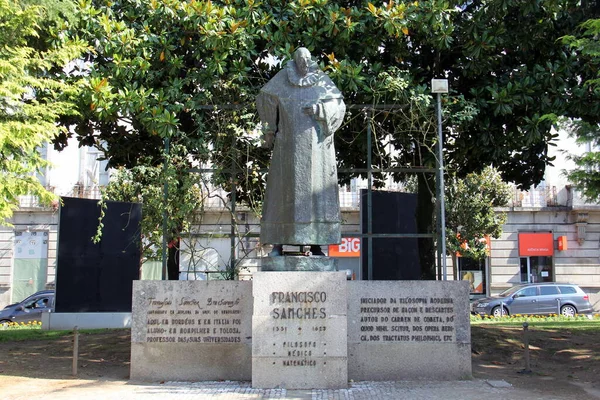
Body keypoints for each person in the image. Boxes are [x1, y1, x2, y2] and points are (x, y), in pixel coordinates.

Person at [257, 47, 346, 256]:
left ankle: (316, 245)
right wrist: (270, 128)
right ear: (295, 61)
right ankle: (278, 244)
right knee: (283, 194)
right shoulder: (282, 79)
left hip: (316, 151)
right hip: (288, 148)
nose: (304, 64)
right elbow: (265, 97)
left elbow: (338, 106)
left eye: (307, 60)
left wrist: (319, 110)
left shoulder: (322, 81)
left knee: (316, 197)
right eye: (301, 60)